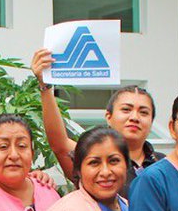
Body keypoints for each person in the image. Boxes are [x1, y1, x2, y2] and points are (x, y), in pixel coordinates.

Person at [30, 48, 161, 191]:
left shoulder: (165, 165)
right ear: (108, 117)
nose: (134, 117)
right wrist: (45, 85)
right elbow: (60, 145)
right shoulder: (91, 156)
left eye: (143, 112)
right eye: (126, 110)